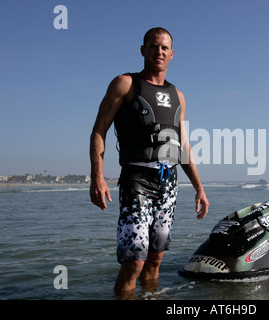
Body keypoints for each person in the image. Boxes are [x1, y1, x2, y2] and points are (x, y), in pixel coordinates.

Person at [89, 27, 209, 297]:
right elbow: (99, 130)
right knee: (134, 262)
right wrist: (97, 176)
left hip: (169, 183)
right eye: (154, 46)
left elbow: (183, 145)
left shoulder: (178, 96)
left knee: (155, 260)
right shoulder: (125, 83)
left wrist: (199, 188)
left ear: (172, 54)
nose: (159, 52)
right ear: (143, 50)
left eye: (165, 48)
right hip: (137, 180)